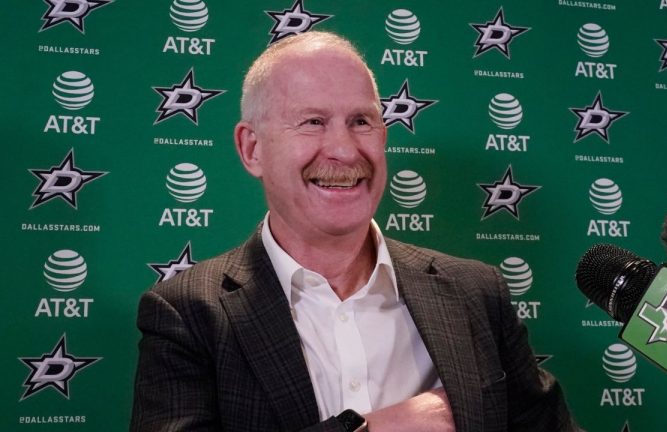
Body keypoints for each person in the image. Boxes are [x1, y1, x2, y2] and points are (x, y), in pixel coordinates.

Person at [130, 31, 579, 432]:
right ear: (252, 149)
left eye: (361, 121)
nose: (344, 150)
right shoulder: (187, 313)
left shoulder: (476, 292)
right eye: (312, 122)